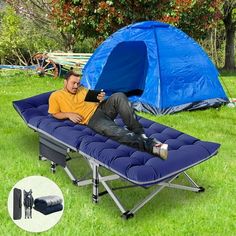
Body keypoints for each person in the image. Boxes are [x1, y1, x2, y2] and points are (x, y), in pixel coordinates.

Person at [48, 71, 168, 160]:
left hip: (102, 108)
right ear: (65, 82)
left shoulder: (81, 89)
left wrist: (99, 98)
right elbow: (54, 113)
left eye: (78, 83)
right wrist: (68, 114)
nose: (76, 86)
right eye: (73, 83)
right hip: (92, 119)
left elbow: (94, 100)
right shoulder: (56, 96)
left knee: (119, 96)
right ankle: (153, 146)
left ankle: (139, 131)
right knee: (117, 132)